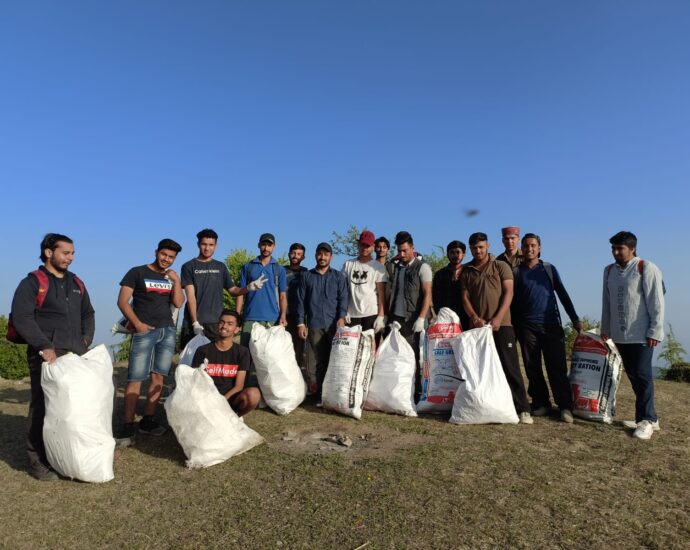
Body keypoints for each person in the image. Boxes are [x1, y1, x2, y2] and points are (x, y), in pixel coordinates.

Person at [10, 233, 95, 480]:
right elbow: (21, 317)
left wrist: (85, 340)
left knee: (72, 407)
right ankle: (37, 460)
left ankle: (64, 456)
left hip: (74, 354)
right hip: (45, 356)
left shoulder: (77, 283)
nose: (70, 257)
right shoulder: (32, 282)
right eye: (65, 253)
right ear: (49, 252)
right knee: (42, 406)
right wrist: (43, 346)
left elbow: (88, 313)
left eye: (72, 253)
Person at [460, 232, 532, 424]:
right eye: (474, 248)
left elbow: (509, 293)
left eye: (481, 247)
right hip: (477, 328)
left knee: (510, 367)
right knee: (479, 369)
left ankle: (523, 408)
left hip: (502, 325)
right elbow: (465, 297)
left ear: (488, 246)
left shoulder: (501, 266)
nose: (478, 251)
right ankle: (485, 406)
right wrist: (474, 317)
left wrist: (498, 317)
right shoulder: (467, 271)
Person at [117, 238, 185, 442]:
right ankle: (128, 425)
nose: (166, 259)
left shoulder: (171, 276)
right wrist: (137, 324)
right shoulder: (137, 272)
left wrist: (177, 281)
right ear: (156, 252)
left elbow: (179, 303)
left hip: (168, 331)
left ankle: (148, 420)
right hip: (144, 331)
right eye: (164, 255)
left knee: (159, 377)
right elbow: (122, 301)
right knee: (136, 378)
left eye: (171, 257)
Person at [601, 231, 665, 440]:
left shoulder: (646, 268)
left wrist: (655, 330)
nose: (616, 252)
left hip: (642, 334)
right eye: (613, 248)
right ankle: (650, 418)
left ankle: (646, 420)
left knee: (643, 375)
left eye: (620, 248)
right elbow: (606, 301)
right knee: (633, 376)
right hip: (620, 334)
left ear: (632, 249)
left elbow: (657, 302)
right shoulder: (609, 271)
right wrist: (606, 328)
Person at [512, 233, 582, 423]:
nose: (529, 249)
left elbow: (563, 294)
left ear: (539, 248)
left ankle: (565, 406)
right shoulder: (517, 272)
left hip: (551, 325)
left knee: (557, 367)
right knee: (532, 366)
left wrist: (574, 318)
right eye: (526, 246)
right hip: (527, 326)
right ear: (522, 249)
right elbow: (512, 301)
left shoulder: (549, 269)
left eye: (533, 245)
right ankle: (541, 402)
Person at [180, 228, 266, 348]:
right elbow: (190, 296)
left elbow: (233, 291)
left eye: (211, 245)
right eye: (204, 244)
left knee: (214, 361)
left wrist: (248, 287)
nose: (207, 248)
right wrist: (195, 322)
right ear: (198, 244)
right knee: (189, 362)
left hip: (216, 323)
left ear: (216, 246)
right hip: (194, 324)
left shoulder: (220, 266)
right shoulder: (188, 266)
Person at [296, 242, 348, 400]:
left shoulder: (338, 276)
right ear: (315, 255)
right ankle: (318, 393)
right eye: (320, 254)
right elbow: (301, 301)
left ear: (331, 257)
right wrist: (300, 323)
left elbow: (343, 299)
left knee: (335, 360)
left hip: (334, 325)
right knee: (317, 361)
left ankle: (333, 394)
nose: (322, 257)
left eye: (326, 254)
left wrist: (341, 317)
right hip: (314, 324)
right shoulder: (307, 277)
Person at [386, 231, 433, 399]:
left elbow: (427, 294)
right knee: (398, 357)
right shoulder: (398, 268)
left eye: (405, 250)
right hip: (396, 320)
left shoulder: (423, 268)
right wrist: (389, 317)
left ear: (413, 248)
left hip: (413, 320)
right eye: (399, 251)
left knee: (414, 357)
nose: (402, 254)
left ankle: (417, 391)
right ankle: (401, 390)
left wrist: (421, 317)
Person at [190, 310, 260, 416]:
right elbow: (195, 381)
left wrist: (221, 401)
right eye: (221, 322)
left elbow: (239, 386)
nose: (224, 326)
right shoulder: (202, 350)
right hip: (206, 400)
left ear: (237, 329)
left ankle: (235, 418)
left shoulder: (242, 352)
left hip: (230, 399)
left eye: (230, 324)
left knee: (254, 394)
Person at [235, 233, 288, 347]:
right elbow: (240, 293)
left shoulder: (279, 269)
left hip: (272, 319)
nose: (266, 248)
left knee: (269, 357)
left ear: (274, 247)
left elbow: (282, 295)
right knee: (246, 354)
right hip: (250, 318)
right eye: (263, 244)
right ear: (259, 245)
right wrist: (237, 316)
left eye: (269, 245)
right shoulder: (248, 267)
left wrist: (283, 315)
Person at [341, 230, 387, 332]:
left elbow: (381, 294)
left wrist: (381, 316)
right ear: (358, 245)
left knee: (369, 347)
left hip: (371, 314)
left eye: (368, 245)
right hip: (351, 315)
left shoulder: (378, 267)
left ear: (372, 247)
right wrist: (343, 311)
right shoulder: (348, 265)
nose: (364, 248)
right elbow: (343, 291)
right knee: (352, 347)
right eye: (362, 245)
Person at [432, 240, 469, 329]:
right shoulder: (440, 274)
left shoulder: (469, 272)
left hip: (467, 318)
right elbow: (436, 298)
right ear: (448, 254)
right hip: (445, 320)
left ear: (463, 254)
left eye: (458, 252)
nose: (455, 255)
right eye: (452, 252)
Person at [285, 242, 308, 367]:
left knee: (298, 350)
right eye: (293, 253)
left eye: (299, 254)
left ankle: (298, 377)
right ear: (289, 254)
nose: (295, 256)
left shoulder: (306, 273)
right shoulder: (281, 271)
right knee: (283, 349)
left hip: (300, 317)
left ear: (303, 257)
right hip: (284, 315)